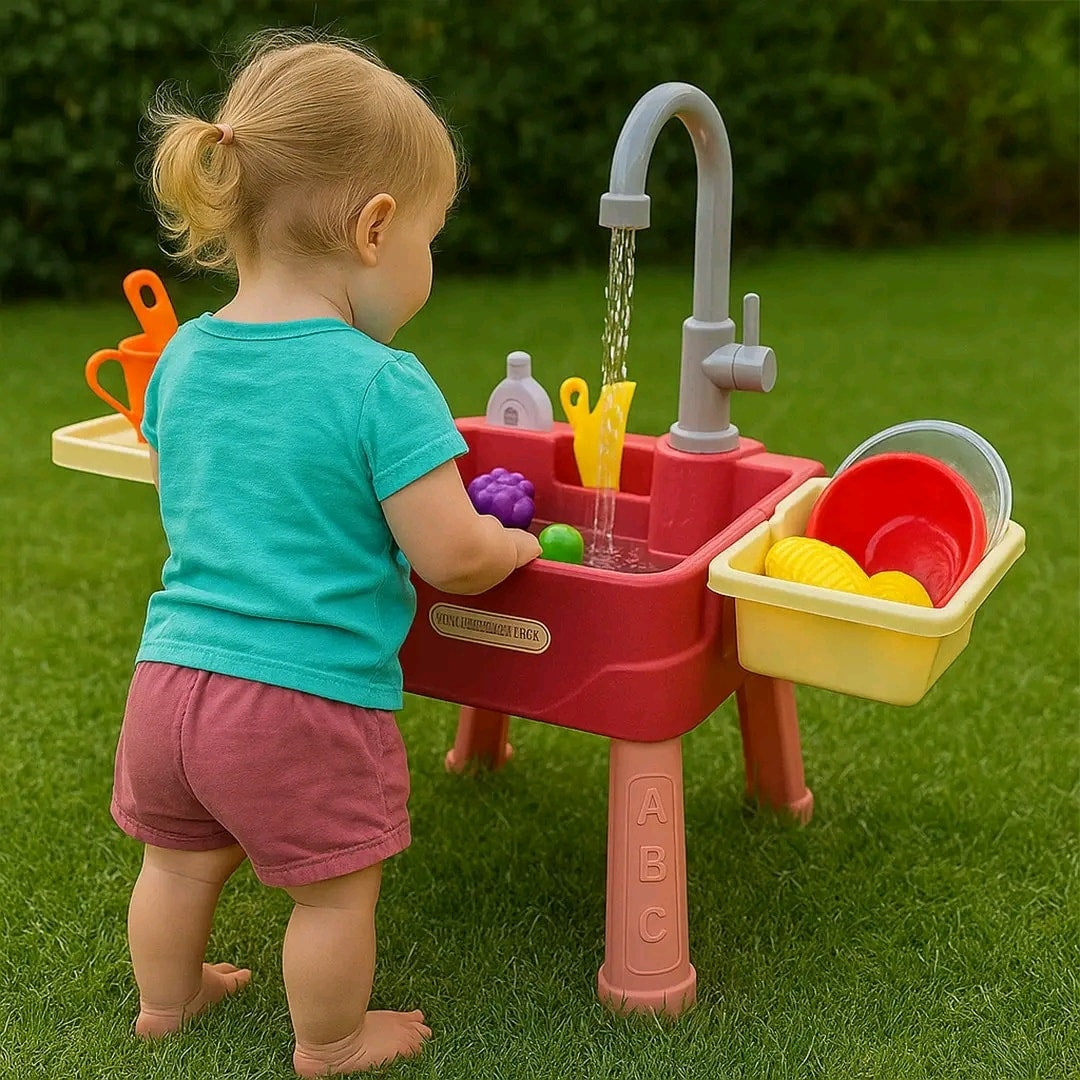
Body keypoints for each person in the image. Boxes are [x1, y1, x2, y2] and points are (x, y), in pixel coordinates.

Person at [109, 31, 541, 1076]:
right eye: (430, 238)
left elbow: (197, 491)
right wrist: (508, 539)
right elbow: (451, 556)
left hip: (168, 682)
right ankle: (334, 1041)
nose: (428, 264)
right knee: (334, 893)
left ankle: (166, 1003)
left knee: (177, 864)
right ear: (376, 227)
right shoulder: (380, 382)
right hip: (299, 701)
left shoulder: (184, 357)